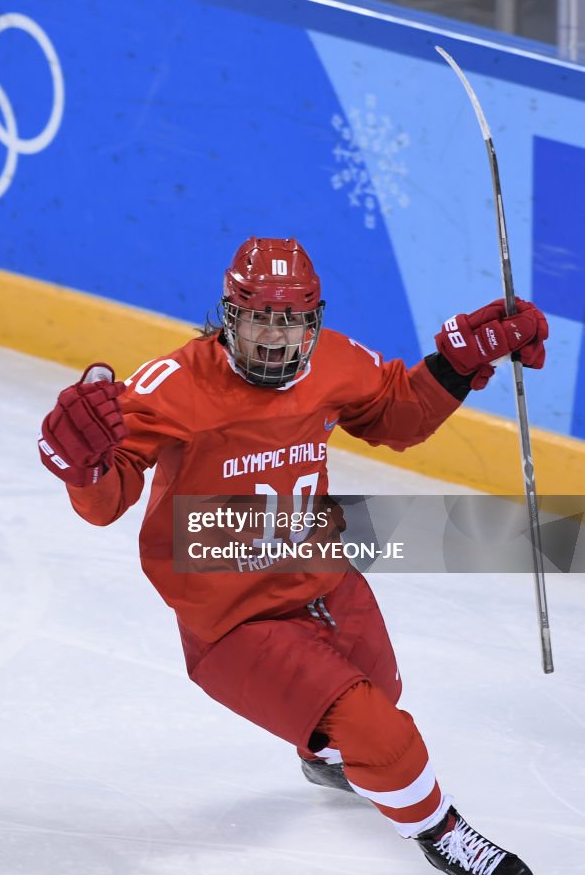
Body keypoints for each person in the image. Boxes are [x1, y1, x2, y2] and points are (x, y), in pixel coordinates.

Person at [38, 236, 548, 875]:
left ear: (315, 320)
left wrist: (452, 366)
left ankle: (322, 755)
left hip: (325, 578)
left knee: (382, 693)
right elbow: (108, 498)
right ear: (228, 316)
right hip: (235, 620)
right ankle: (442, 834)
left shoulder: (334, 362)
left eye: (291, 320)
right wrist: (80, 471)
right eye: (258, 318)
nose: (275, 338)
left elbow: (396, 416)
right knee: (383, 737)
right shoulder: (172, 387)